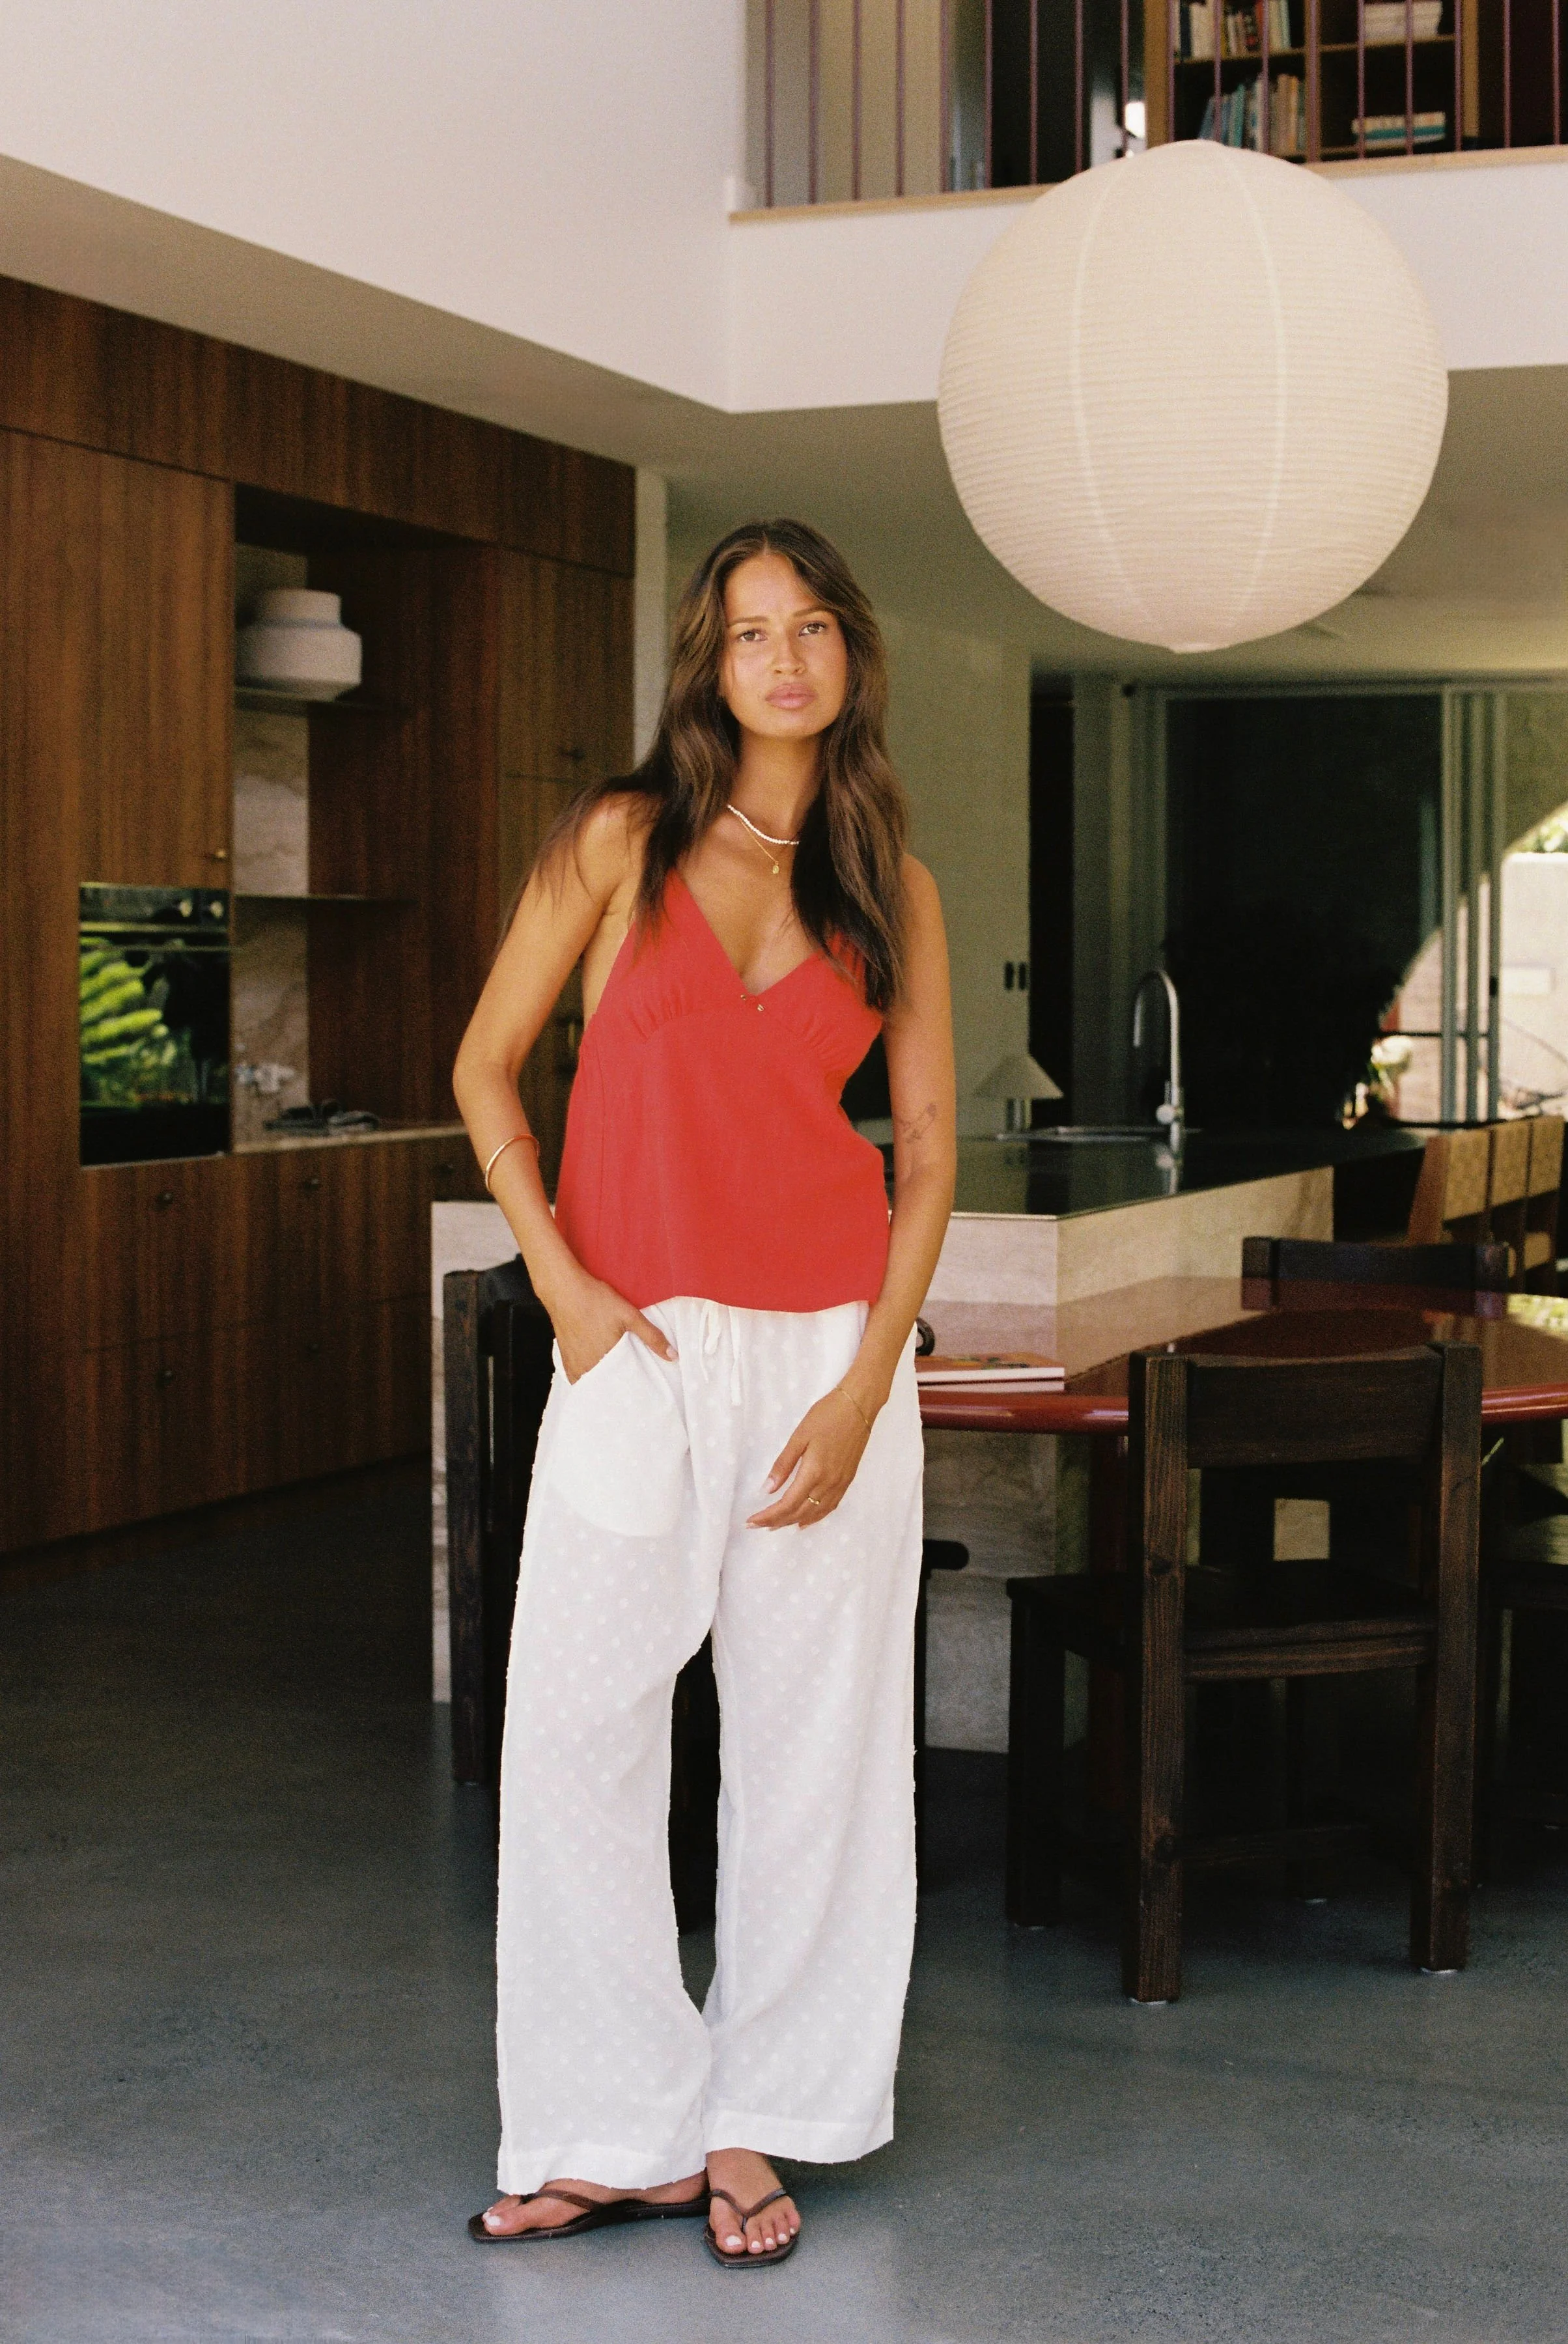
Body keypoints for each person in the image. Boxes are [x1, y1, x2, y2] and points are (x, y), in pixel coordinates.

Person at [452, 516, 956, 2268]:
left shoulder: (889, 885)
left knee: (815, 1753)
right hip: (636, 1344)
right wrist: (565, 1288)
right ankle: (611, 2128)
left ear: (848, 653)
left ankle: (757, 2122)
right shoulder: (621, 838)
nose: (785, 659)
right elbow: (485, 1068)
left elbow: (929, 1153)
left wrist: (870, 1380)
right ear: (711, 664)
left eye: (812, 625)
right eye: (752, 632)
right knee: (574, 1738)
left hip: (828, 1352)